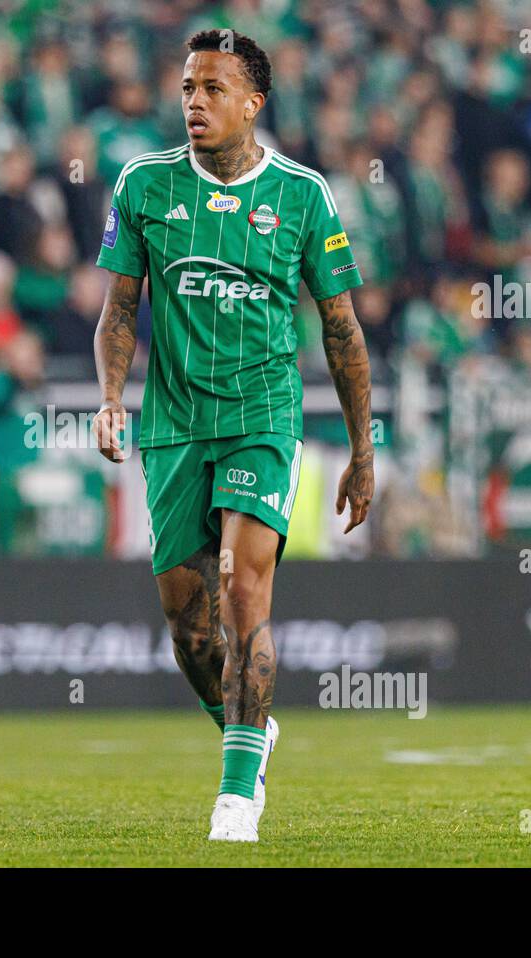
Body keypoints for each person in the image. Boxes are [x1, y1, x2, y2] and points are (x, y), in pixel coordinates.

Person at [89, 30, 374, 843]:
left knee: (242, 586)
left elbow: (342, 328)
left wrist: (363, 449)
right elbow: (118, 310)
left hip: (262, 417)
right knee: (187, 623)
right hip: (174, 427)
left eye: (213, 89)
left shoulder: (302, 196)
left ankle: (236, 797)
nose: (194, 103)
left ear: (253, 103)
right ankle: (245, 726)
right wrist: (112, 398)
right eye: (186, 88)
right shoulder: (144, 185)